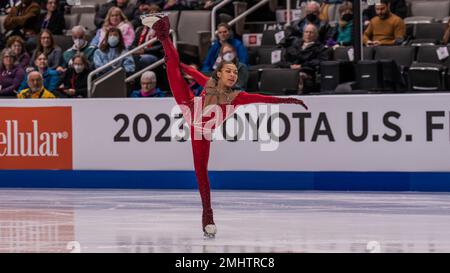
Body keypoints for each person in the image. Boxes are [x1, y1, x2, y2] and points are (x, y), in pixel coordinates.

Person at [144, 14, 308, 238]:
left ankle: (207, 218)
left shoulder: (237, 97)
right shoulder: (210, 83)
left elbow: (262, 98)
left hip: (201, 132)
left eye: (235, 72)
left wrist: (287, 100)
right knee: (172, 66)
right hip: (189, 105)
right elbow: (192, 73)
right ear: (219, 74)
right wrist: (178, 64)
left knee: (201, 173)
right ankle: (162, 31)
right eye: (228, 71)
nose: (233, 75)